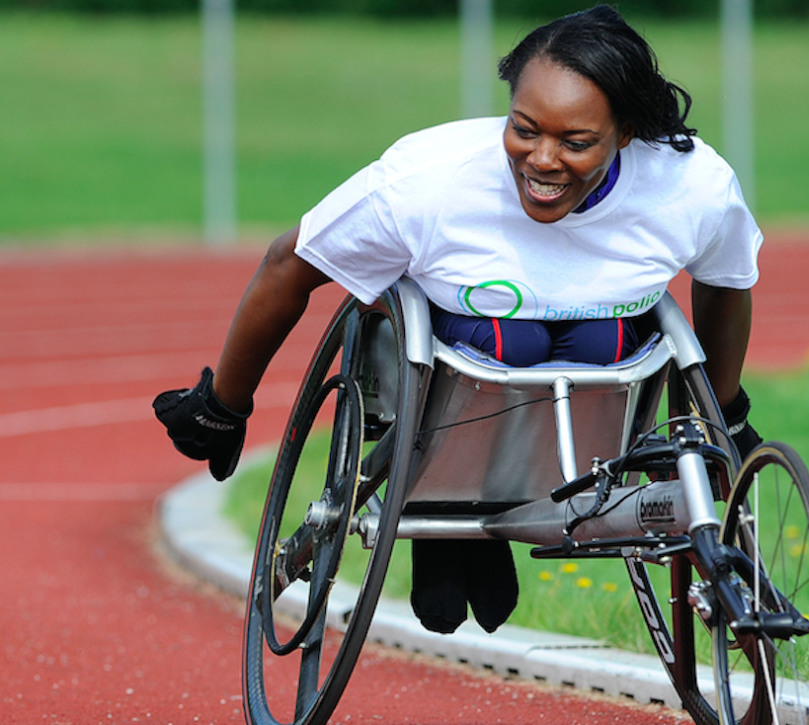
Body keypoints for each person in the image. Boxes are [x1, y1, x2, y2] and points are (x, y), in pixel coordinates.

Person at [154, 4, 762, 636]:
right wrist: (223, 403)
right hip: (458, 368)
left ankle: (484, 507)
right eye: (525, 129)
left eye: (576, 143)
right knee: (513, 336)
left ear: (627, 133)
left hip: (602, 372)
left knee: (596, 336)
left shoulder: (690, 186)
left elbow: (726, 283)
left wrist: (723, 413)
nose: (542, 161)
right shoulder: (430, 181)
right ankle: (449, 510)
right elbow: (289, 263)